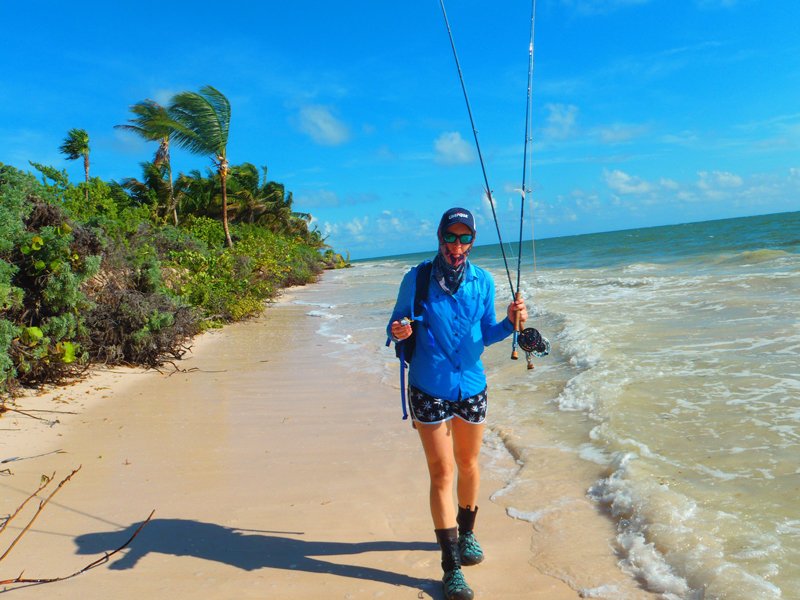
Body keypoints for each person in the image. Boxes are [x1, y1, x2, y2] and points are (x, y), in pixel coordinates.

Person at [386, 207, 527, 600]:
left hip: (472, 385)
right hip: (428, 386)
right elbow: (396, 325)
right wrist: (399, 330)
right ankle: (451, 570)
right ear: (440, 237)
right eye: (452, 236)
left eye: (466, 238)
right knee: (442, 471)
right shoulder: (416, 279)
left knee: (468, 463)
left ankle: (467, 534)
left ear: (472, 241)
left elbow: (488, 333)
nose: (458, 245)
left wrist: (511, 323)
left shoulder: (483, 281)